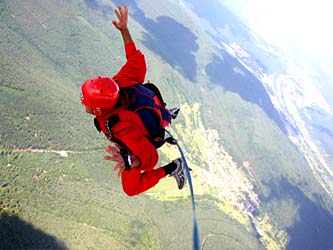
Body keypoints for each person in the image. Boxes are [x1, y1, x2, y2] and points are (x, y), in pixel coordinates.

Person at [80, 4, 186, 196]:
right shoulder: (120, 83)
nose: (83, 103)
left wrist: (130, 160)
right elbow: (136, 59)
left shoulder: (122, 127)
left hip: (142, 141)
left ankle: (174, 167)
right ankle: (163, 114)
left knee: (131, 189)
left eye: (87, 102)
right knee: (148, 112)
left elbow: (151, 158)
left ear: (99, 109)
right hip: (147, 108)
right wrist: (124, 31)